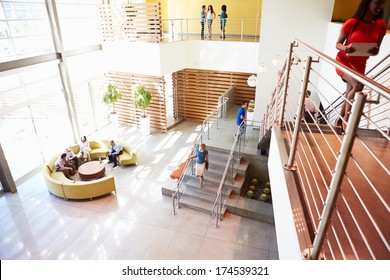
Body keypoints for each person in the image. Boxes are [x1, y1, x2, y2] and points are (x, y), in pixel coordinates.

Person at [335, 0, 386, 133]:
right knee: (357, 86)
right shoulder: (352, 22)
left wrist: (375, 51)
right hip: (344, 61)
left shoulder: (381, 25)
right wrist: (346, 49)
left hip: (360, 64)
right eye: (378, 2)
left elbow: (377, 50)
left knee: (350, 90)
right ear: (368, 3)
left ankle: (339, 119)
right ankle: (346, 120)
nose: (380, 6)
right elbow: (338, 44)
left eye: (383, 3)